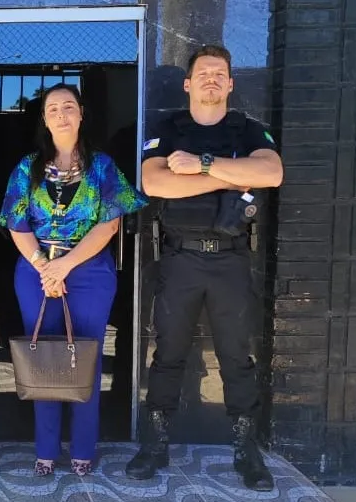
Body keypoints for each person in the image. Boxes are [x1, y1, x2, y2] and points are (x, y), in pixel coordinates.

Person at [125, 45, 284, 491]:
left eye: (220, 73)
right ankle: (155, 447)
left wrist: (200, 167)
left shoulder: (248, 129)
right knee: (168, 355)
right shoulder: (168, 128)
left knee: (237, 358)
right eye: (204, 73)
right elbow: (154, 181)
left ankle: (246, 451)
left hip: (231, 261)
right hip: (180, 259)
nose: (212, 78)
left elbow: (271, 174)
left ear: (230, 83)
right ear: (188, 84)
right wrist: (235, 174)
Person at [0, 83, 147, 477]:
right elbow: (16, 223)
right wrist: (43, 265)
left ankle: (83, 447)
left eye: (69, 107)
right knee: (43, 358)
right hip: (35, 273)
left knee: (86, 357)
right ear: (44, 120)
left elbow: (110, 224)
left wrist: (64, 266)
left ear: (81, 114)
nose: (62, 114)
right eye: (53, 109)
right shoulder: (27, 168)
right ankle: (45, 449)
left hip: (90, 272)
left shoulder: (102, 167)